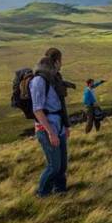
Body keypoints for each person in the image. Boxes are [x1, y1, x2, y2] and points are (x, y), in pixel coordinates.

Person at [31, 55, 71, 197]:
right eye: (59, 62)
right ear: (54, 63)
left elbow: (59, 105)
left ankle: (60, 189)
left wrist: (64, 126)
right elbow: (37, 110)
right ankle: (42, 193)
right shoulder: (39, 81)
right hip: (47, 129)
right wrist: (51, 133)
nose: (61, 65)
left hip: (58, 126)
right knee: (54, 166)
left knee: (62, 165)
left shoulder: (52, 79)